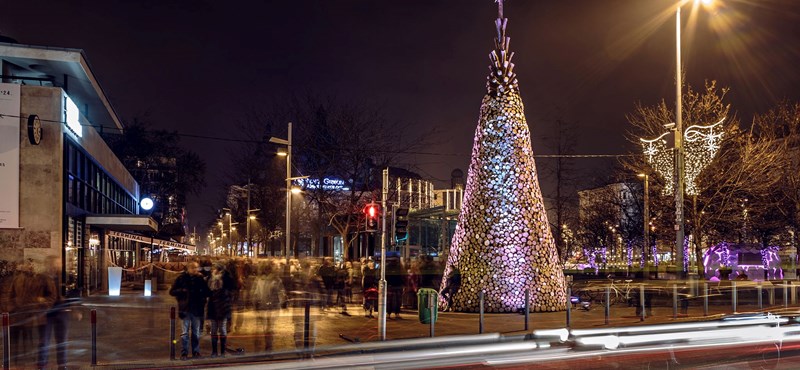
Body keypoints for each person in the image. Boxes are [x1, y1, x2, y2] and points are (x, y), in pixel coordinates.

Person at [170, 261, 210, 360]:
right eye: (193, 268)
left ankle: (196, 351)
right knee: (185, 333)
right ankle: (184, 352)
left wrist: (203, 299)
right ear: (188, 269)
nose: (195, 270)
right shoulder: (181, 278)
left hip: (196, 309)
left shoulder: (200, 279)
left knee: (196, 332)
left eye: (196, 268)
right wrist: (182, 292)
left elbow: (207, 292)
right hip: (185, 309)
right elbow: (172, 291)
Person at [251, 261, 286, 353]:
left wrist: (281, 301)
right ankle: (267, 345)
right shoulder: (262, 279)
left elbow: (281, 292)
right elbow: (255, 292)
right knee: (267, 327)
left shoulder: (273, 280)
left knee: (268, 327)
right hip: (266, 306)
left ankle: (268, 345)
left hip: (270, 307)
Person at [206, 262, 235, 358]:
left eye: (214, 268)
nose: (212, 270)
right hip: (213, 307)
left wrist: (226, 272)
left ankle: (222, 351)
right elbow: (207, 291)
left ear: (219, 269)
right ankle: (214, 351)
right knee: (214, 330)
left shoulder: (226, 278)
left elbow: (232, 286)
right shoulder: (211, 279)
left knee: (222, 329)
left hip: (223, 306)